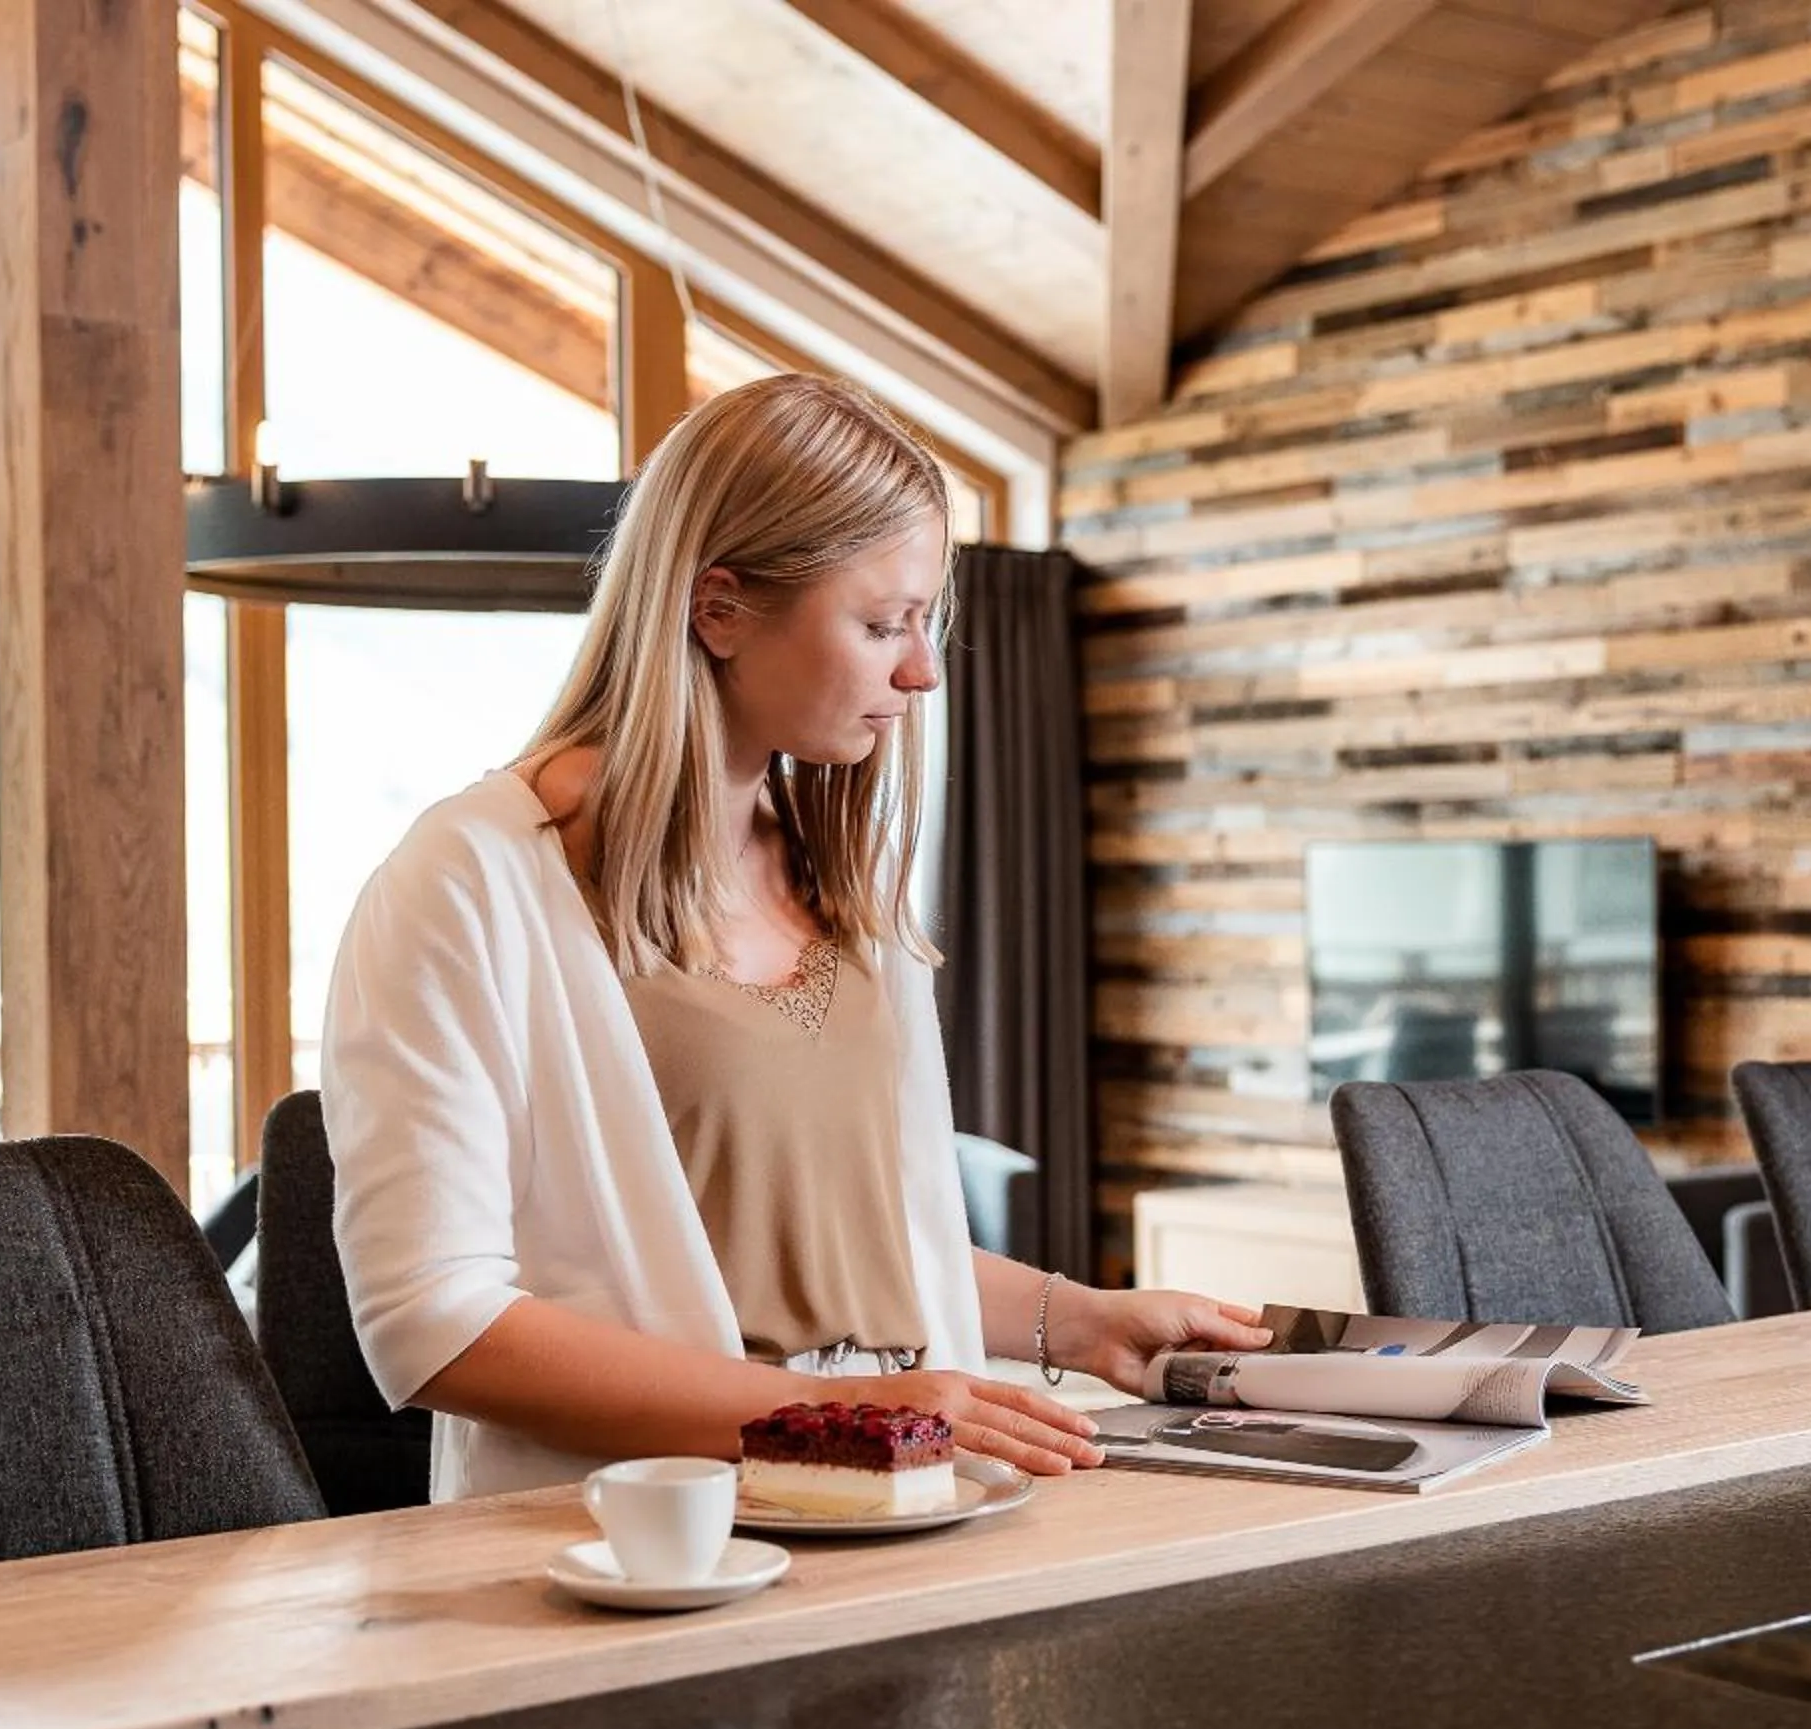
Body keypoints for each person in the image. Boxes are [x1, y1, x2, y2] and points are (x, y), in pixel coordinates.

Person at [323, 374, 1267, 1502]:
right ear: (718, 608)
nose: (921, 672)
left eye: (926, 623)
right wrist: (837, 1421)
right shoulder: (466, 884)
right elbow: (435, 1324)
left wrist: (1085, 1322)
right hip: (640, 1558)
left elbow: (853, 1258)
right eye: (882, 624)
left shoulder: (845, 877)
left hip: (921, 1515)